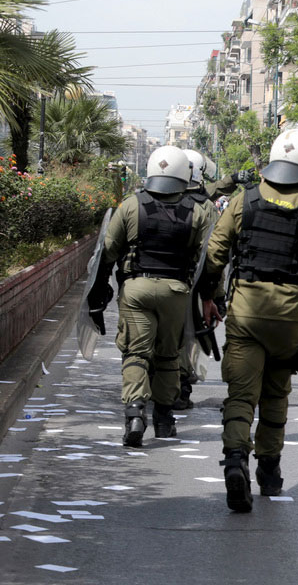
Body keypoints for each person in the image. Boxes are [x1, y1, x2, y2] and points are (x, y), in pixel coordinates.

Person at [197, 128, 298, 512]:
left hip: (246, 312)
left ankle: (235, 459)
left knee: (241, 396)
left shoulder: (243, 202)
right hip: (289, 318)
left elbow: (215, 253)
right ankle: (269, 473)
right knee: (275, 395)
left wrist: (209, 297)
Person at [86, 146, 216, 447]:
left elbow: (108, 251)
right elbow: (207, 261)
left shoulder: (131, 205)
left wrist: (101, 289)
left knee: (136, 353)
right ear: (185, 174)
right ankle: (164, 419)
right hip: (176, 293)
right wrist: (211, 297)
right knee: (169, 355)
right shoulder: (196, 211)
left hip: (136, 289)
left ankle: (134, 415)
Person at [172, 150, 224, 411]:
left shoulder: (143, 201)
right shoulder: (204, 208)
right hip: (188, 283)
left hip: (146, 279)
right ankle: (180, 388)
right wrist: (215, 295)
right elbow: (214, 256)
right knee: (185, 337)